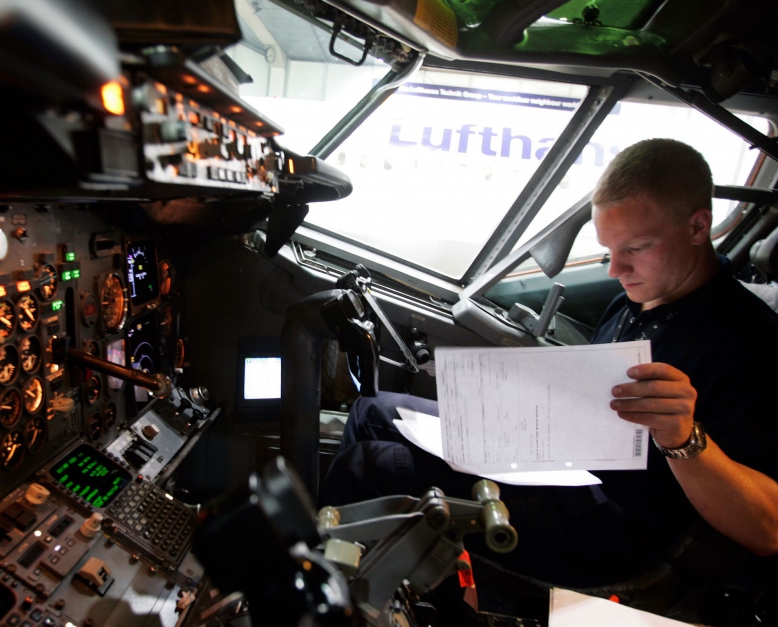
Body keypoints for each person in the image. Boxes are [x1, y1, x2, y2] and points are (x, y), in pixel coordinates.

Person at [319, 139, 778, 619]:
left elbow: (768, 529)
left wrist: (684, 438)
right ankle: (389, 586)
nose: (617, 270)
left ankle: (340, 606)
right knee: (372, 412)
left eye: (636, 249)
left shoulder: (750, 345)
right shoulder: (633, 302)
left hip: (621, 527)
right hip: (567, 467)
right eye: (608, 251)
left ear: (698, 226)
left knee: (368, 466)